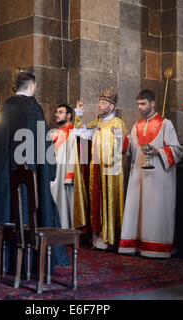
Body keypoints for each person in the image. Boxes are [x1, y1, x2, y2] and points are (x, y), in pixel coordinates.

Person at [0, 71, 70, 270]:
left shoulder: (6, 107)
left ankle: (6, 262)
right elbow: (44, 142)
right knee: (33, 211)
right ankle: (31, 262)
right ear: (32, 85)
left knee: (9, 210)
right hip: (32, 174)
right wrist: (49, 172)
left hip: (7, 175)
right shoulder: (34, 108)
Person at [118, 89, 183, 258]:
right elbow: (130, 149)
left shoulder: (165, 124)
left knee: (155, 211)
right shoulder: (136, 125)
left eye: (143, 104)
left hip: (159, 177)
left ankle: (157, 247)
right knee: (137, 210)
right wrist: (120, 138)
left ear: (153, 104)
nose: (140, 107)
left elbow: (176, 150)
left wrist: (159, 151)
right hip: (139, 175)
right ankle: (137, 245)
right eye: (138, 104)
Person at [73, 87, 129, 250]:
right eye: (99, 102)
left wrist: (118, 135)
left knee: (109, 201)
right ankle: (97, 236)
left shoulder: (118, 123)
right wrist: (79, 113)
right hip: (95, 168)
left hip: (111, 171)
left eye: (103, 103)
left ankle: (110, 237)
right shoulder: (96, 122)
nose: (99, 105)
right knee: (96, 201)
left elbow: (123, 148)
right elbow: (80, 133)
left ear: (111, 106)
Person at [50, 104, 87, 229]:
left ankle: (66, 229)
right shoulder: (55, 132)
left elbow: (74, 154)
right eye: (56, 112)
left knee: (66, 202)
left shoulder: (73, 132)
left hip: (65, 173)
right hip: (54, 173)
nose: (57, 114)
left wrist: (69, 175)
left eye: (60, 112)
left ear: (69, 115)